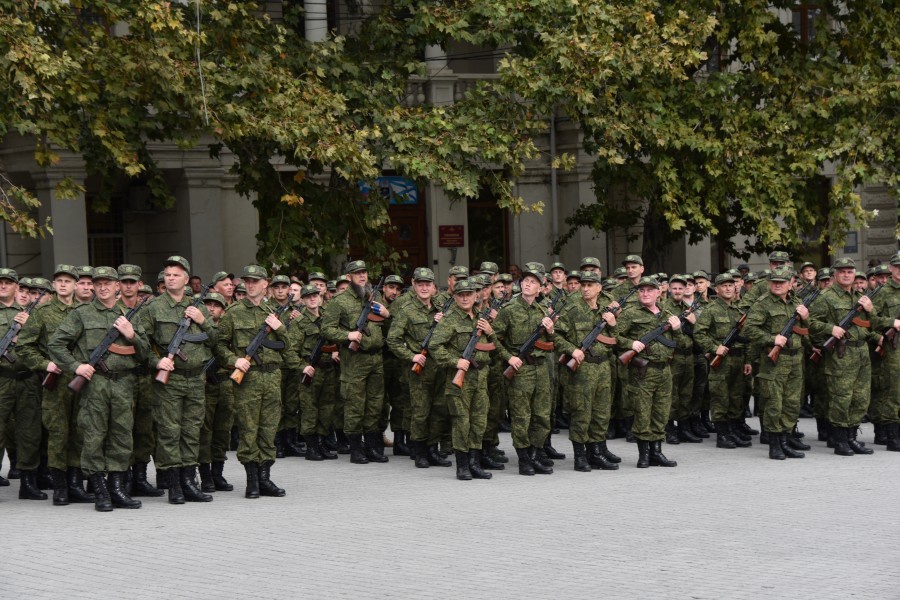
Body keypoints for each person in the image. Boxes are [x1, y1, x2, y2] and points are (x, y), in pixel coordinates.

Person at [48, 266, 151, 511]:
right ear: (93, 286)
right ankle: (100, 490)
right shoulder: (82, 313)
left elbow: (146, 352)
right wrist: (76, 367)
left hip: (124, 382)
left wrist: (131, 334)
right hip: (96, 384)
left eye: (108, 283)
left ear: (117, 286)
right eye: (99, 283)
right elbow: (56, 344)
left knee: (122, 435)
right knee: (94, 435)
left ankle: (116, 488)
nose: (103, 287)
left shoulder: (130, 315)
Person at [142, 256, 218, 504]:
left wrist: (202, 320)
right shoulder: (153, 308)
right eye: (168, 274)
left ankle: (189, 481)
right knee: (169, 431)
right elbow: (140, 341)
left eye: (176, 274)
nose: (171, 277)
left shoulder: (198, 307)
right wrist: (156, 362)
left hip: (196, 379)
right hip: (170, 381)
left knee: (192, 431)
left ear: (187, 280)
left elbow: (216, 340)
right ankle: (174, 484)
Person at [17, 265, 95, 505]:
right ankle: (60, 487)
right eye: (59, 280)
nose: (63, 284)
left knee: (79, 432)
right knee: (58, 434)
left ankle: (75, 484)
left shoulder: (86, 311)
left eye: (68, 281)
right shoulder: (42, 313)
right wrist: (44, 364)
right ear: (54, 284)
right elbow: (23, 347)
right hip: (56, 382)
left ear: (76, 285)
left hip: (81, 381)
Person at [215, 264, 291, 498]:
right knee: (249, 429)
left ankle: (265, 477)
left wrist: (280, 329)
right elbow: (219, 345)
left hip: (272, 375)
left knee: (269, 428)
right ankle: (252, 481)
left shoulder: (273, 312)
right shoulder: (234, 312)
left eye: (255, 281)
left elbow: (287, 347)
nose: (250, 285)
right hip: (248, 378)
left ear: (265, 284)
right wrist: (234, 360)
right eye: (247, 281)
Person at [807, 257, 878, 456]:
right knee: (841, 398)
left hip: (862, 351)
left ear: (854, 274)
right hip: (841, 352)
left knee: (860, 397)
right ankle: (839, 440)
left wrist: (871, 310)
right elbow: (809, 323)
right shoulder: (826, 297)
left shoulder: (861, 297)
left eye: (850, 271)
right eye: (842, 271)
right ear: (835, 274)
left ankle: (851, 437)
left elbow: (874, 323)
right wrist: (831, 328)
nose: (846, 274)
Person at [321, 260, 390, 464]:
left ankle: (372, 447)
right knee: (355, 404)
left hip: (376, 358)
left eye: (364, 272)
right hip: (354, 360)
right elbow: (326, 329)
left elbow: (386, 327)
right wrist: (348, 335)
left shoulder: (374, 296)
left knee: (375, 404)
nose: (362, 276)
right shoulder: (339, 301)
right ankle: (356, 448)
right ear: (349, 277)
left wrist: (387, 315)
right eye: (357, 273)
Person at [428, 279, 496, 480]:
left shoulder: (481, 319)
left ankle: (475, 463)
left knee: (479, 421)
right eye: (460, 295)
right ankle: (462, 466)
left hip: (480, 378)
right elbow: (434, 346)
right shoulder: (449, 320)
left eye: (469, 294)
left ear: (476, 296)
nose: (465, 297)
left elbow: (495, 344)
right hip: (460, 381)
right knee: (461, 422)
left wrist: (491, 332)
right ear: (455, 297)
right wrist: (455, 361)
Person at [493, 265, 556, 475]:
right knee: (521, 416)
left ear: (540, 288)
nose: (528, 284)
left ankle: (536, 454)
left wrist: (550, 330)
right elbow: (494, 339)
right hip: (521, 370)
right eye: (526, 281)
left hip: (540, 369)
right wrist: (508, 358)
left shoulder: (542, 312)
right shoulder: (509, 310)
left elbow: (550, 343)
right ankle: (523, 458)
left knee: (542, 415)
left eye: (533, 282)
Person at [555, 271, 620, 471]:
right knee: (581, 413)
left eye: (590, 285)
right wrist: (572, 350)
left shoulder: (605, 312)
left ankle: (597, 452)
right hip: (582, 370)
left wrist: (613, 324)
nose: (585, 288)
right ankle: (580, 456)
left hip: (602, 367)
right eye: (583, 285)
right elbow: (556, 337)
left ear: (599, 288)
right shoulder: (572, 310)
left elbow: (614, 340)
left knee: (601, 413)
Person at [614, 276, 682, 468]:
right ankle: (643, 454)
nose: (645, 293)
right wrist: (630, 343)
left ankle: (657, 452)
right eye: (642, 290)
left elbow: (683, 344)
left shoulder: (667, 314)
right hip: (643, 370)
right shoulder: (630, 313)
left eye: (650, 290)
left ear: (658, 293)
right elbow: (614, 337)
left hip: (664, 370)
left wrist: (677, 330)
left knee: (661, 412)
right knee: (643, 412)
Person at [743, 266, 810, 460]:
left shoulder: (796, 302)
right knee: (774, 403)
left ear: (791, 284)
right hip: (774, 361)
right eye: (774, 282)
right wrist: (772, 339)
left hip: (795, 358)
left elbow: (807, 329)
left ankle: (786, 441)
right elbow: (748, 330)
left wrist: (805, 318)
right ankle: (774, 445)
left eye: (782, 282)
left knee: (792, 402)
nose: (778, 285)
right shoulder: (763, 303)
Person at [0, 268, 46, 501]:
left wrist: (26, 329)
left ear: (17, 287)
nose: (3, 286)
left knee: (29, 431)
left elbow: (43, 344)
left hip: (27, 379)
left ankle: (28, 482)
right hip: (2, 379)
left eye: (8, 283)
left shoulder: (31, 313)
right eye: (0, 282)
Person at [694, 274, 753, 449]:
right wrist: (714, 348)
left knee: (736, 397)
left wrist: (748, 360)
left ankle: (733, 431)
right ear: (717, 289)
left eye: (730, 285)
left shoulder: (739, 311)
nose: (728, 288)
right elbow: (699, 333)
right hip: (721, 361)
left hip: (738, 359)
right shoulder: (711, 310)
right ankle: (723, 435)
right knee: (720, 397)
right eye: (724, 286)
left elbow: (747, 338)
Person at [291, 284, 339, 461]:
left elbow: (336, 337)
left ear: (320, 297)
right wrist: (302, 366)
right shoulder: (299, 323)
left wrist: (336, 350)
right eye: (308, 296)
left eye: (315, 296)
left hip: (328, 370)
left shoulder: (327, 318)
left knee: (327, 408)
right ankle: (311, 446)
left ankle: (321, 443)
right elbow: (291, 351)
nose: (312, 299)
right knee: (310, 408)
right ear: (302, 300)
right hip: (311, 370)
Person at [871, 254, 900, 451]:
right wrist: (891, 323)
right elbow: (871, 319)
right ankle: (892, 437)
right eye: (897, 266)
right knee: (893, 392)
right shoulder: (883, 292)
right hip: (894, 349)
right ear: (891, 268)